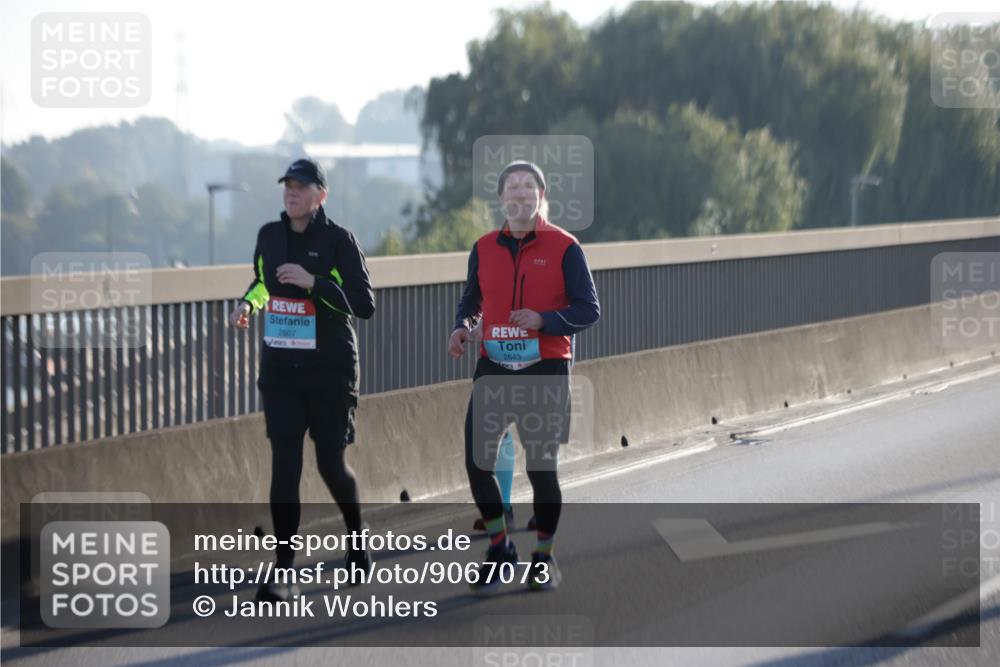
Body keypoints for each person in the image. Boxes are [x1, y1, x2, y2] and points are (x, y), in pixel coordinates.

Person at [449, 160, 600, 593]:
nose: (518, 194)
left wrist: (544, 319)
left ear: (541, 195)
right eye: (510, 187)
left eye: (526, 186)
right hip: (494, 366)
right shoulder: (483, 247)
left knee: (541, 469)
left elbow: (589, 309)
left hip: (545, 369)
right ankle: (500, 549)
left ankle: (544, 556)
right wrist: (463, 327)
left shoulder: (565, 247)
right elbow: (472, 300)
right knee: (477, 461)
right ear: (501, 200)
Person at [230, 157, 375, 601]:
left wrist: (313, 282)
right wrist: (248, 305)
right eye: (288, 186)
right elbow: (261, 283)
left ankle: (357, 542)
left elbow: (363, 304)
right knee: (285, 465)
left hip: (330, 371)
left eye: (301, 186)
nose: (291, 192)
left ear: (320, 196)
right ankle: (285, 568)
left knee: (330, 463)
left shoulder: (338, 241)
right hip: (281, 371)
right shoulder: (269, 237)